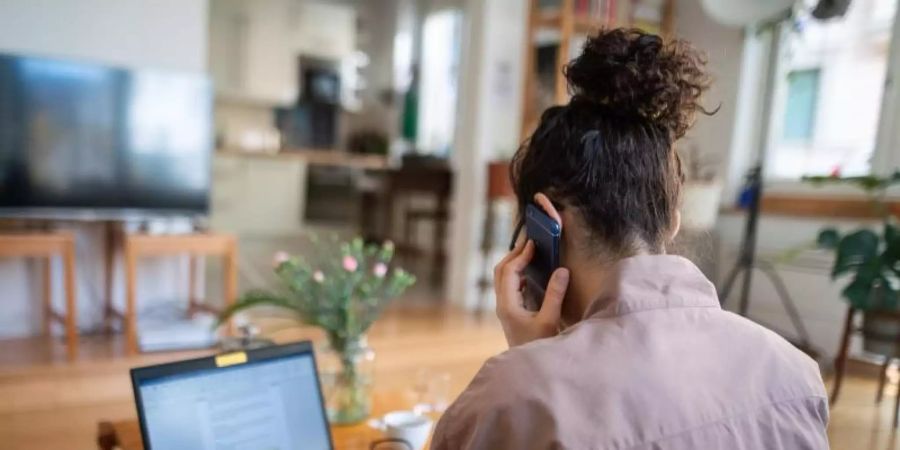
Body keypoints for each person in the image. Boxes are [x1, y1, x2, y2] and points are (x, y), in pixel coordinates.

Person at [431, 28, 829, 449]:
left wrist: (529, 362)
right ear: (672, 222)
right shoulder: (796, 374)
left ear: (545, 221)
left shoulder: (509, 401)